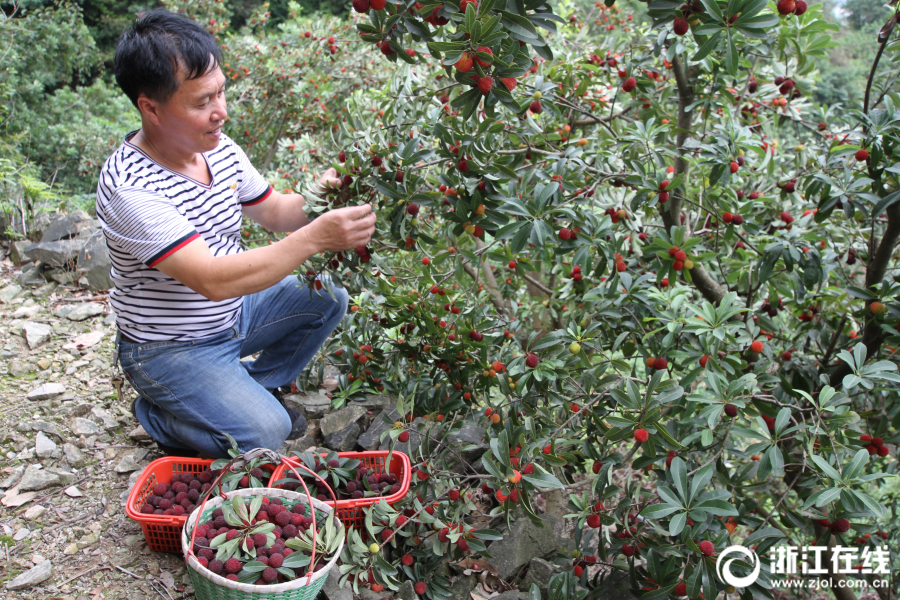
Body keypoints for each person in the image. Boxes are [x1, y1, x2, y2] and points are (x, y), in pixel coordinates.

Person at [96, 10, 376, 458]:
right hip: (169, 349)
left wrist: (326, 191)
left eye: (221, 92)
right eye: (202, 102)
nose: (221, 112)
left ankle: (253, 388)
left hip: (233, 317)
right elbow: (212, 279)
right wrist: (316, 238)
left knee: (328, 295)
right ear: (150, 106)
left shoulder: (218, 149)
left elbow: (277, 211)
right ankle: (161, 415)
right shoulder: (133, 190)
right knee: (266, 436)